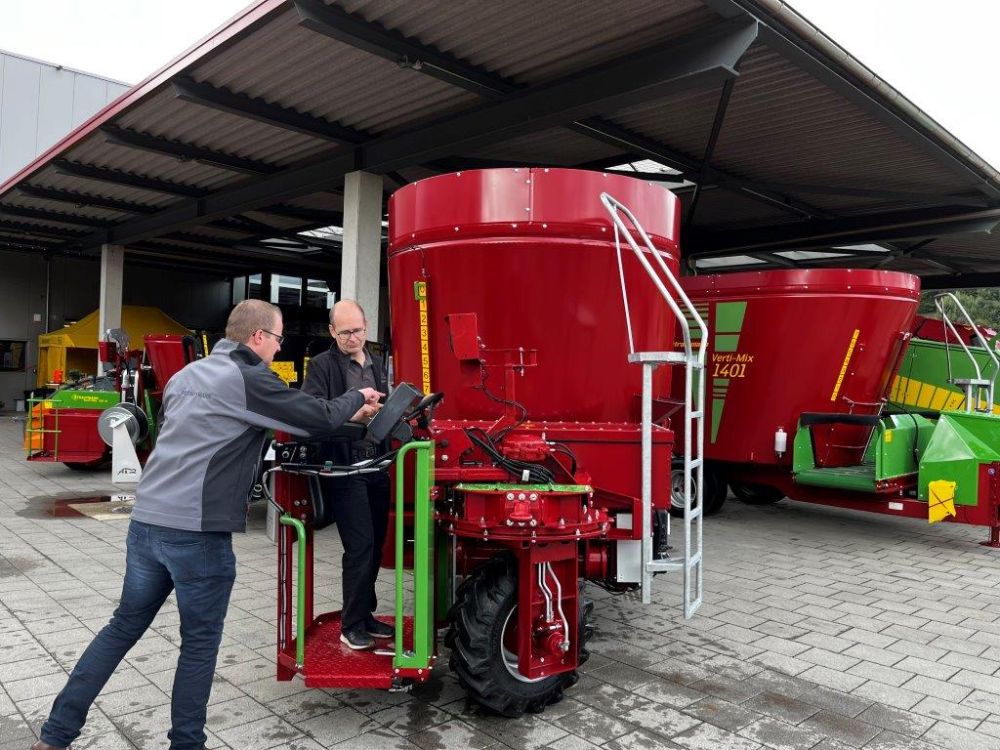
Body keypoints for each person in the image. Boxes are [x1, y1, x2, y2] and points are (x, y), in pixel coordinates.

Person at [31, 300, 381, 750]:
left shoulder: (187, 375)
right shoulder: (249, 378)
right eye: (277, 340)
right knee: (198, 645)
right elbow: (317, 418)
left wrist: (353, 424)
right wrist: (361, 399)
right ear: (257, 337)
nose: (277, 348)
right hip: (196, 534)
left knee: (121, 628)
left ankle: (55, 736)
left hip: (146, 523)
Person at [302, 299, 392, 651]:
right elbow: (314, 413)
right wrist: (358, 412)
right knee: (360, 546)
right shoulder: (322, 366)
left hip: (377, 464)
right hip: (344, 466)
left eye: (357, 331)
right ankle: (350, 624)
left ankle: (366, 615)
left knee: (376, 545)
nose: (352, 338)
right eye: (345, 333)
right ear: (331, 332)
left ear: (366, 327)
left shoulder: (377, 362)